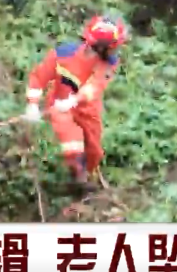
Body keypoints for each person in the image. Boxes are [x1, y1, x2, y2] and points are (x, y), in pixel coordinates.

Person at [23, 15, 128, 189]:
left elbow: (96, 85)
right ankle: (78, 176)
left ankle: (88, 172)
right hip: (59, 105)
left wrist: (74, 100)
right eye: (114, 47)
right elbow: (39, 77)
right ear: (102, 47)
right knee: (72, 140)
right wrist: (32, 104)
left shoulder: (109, 63)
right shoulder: (62, 54)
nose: (115, 51)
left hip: (87, 108)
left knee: (94, 149)